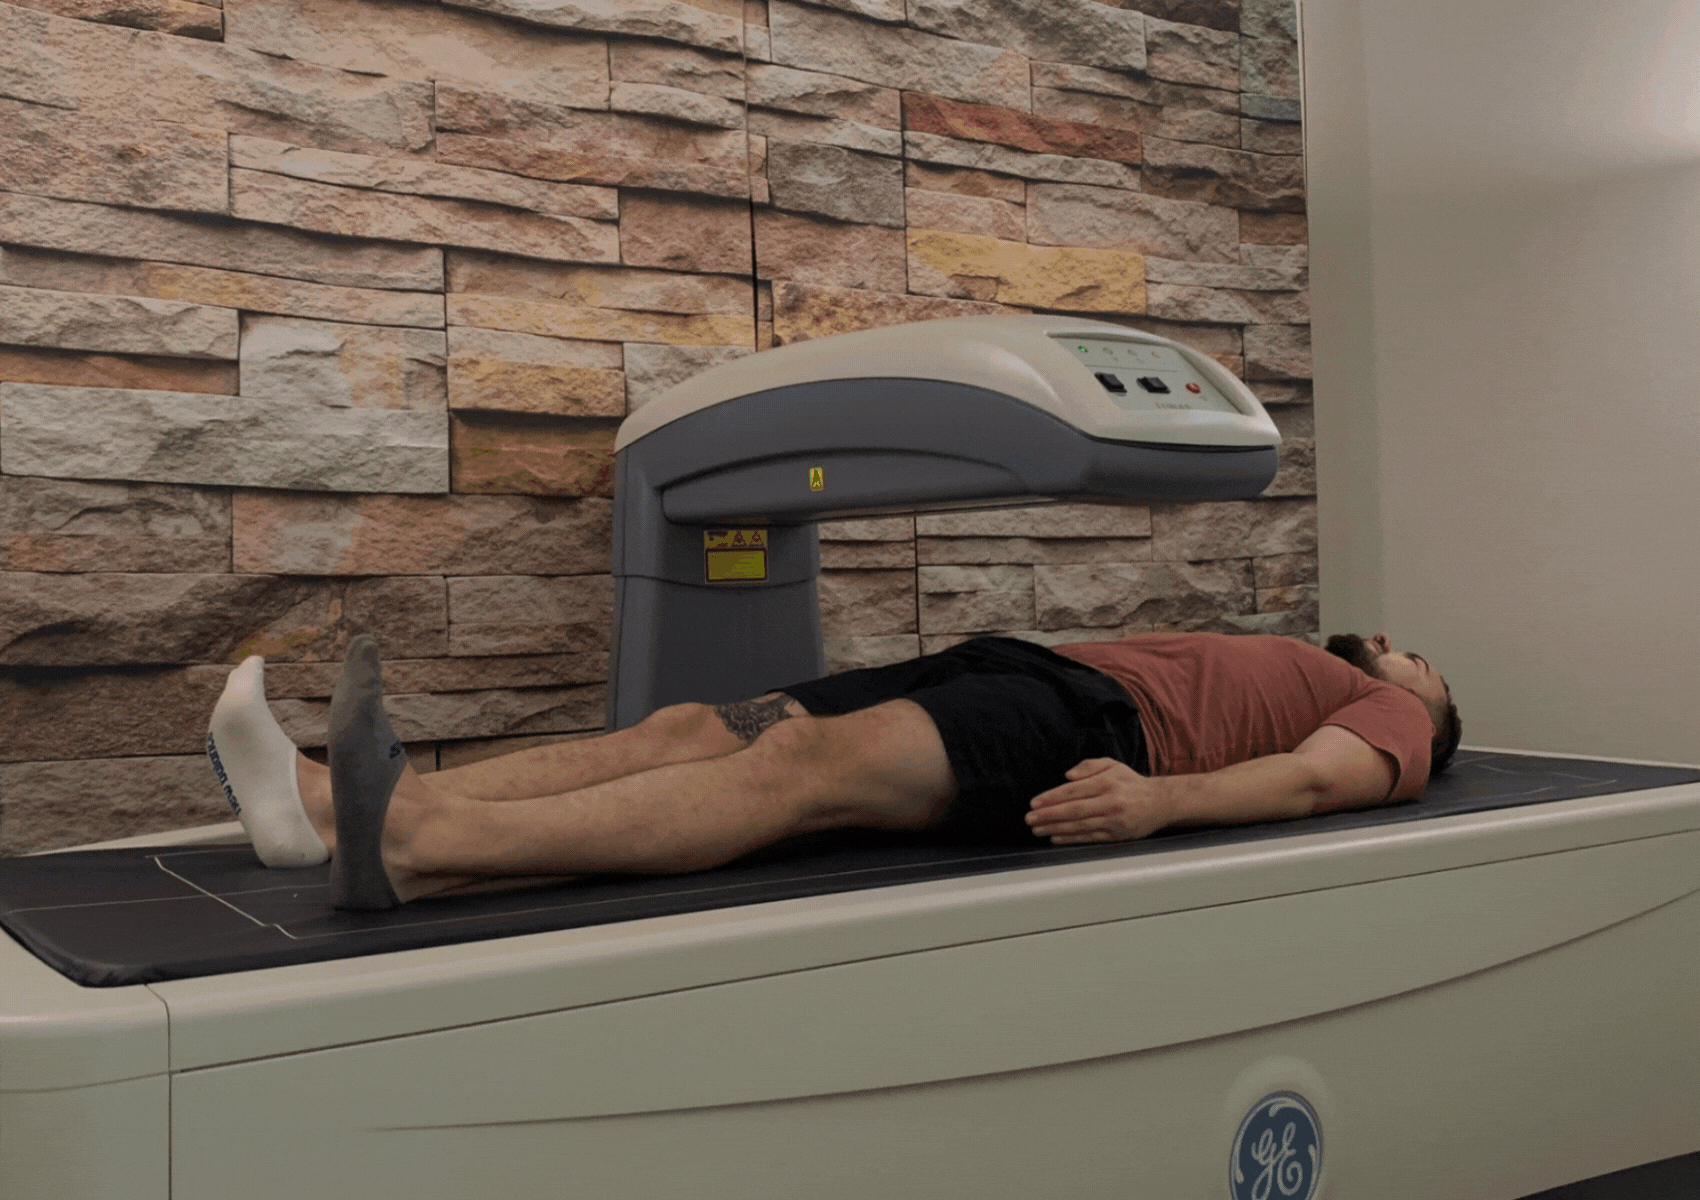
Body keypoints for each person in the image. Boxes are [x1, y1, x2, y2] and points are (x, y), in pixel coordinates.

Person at [205, 629, 1460, 910]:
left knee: (798, 765)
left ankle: (422, 847)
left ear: (1427, 711)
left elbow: (1312, 785)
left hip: (1092, 730)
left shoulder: (1382, 714)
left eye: (1424, 660)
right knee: (692, 726)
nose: (1400, 645)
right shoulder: (1305, 649)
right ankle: (323, 807)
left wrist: (1153, 802)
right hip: (1020, 667)